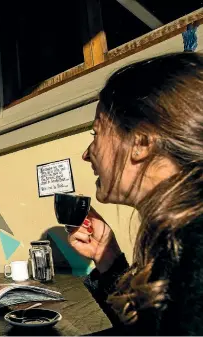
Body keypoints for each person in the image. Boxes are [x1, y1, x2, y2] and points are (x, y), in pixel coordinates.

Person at [66, 52, 203, 335]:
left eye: (96, 134)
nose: (86, 154)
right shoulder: (178, 237)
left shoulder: (196, 249)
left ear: (141, 141)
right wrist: (107, 257)